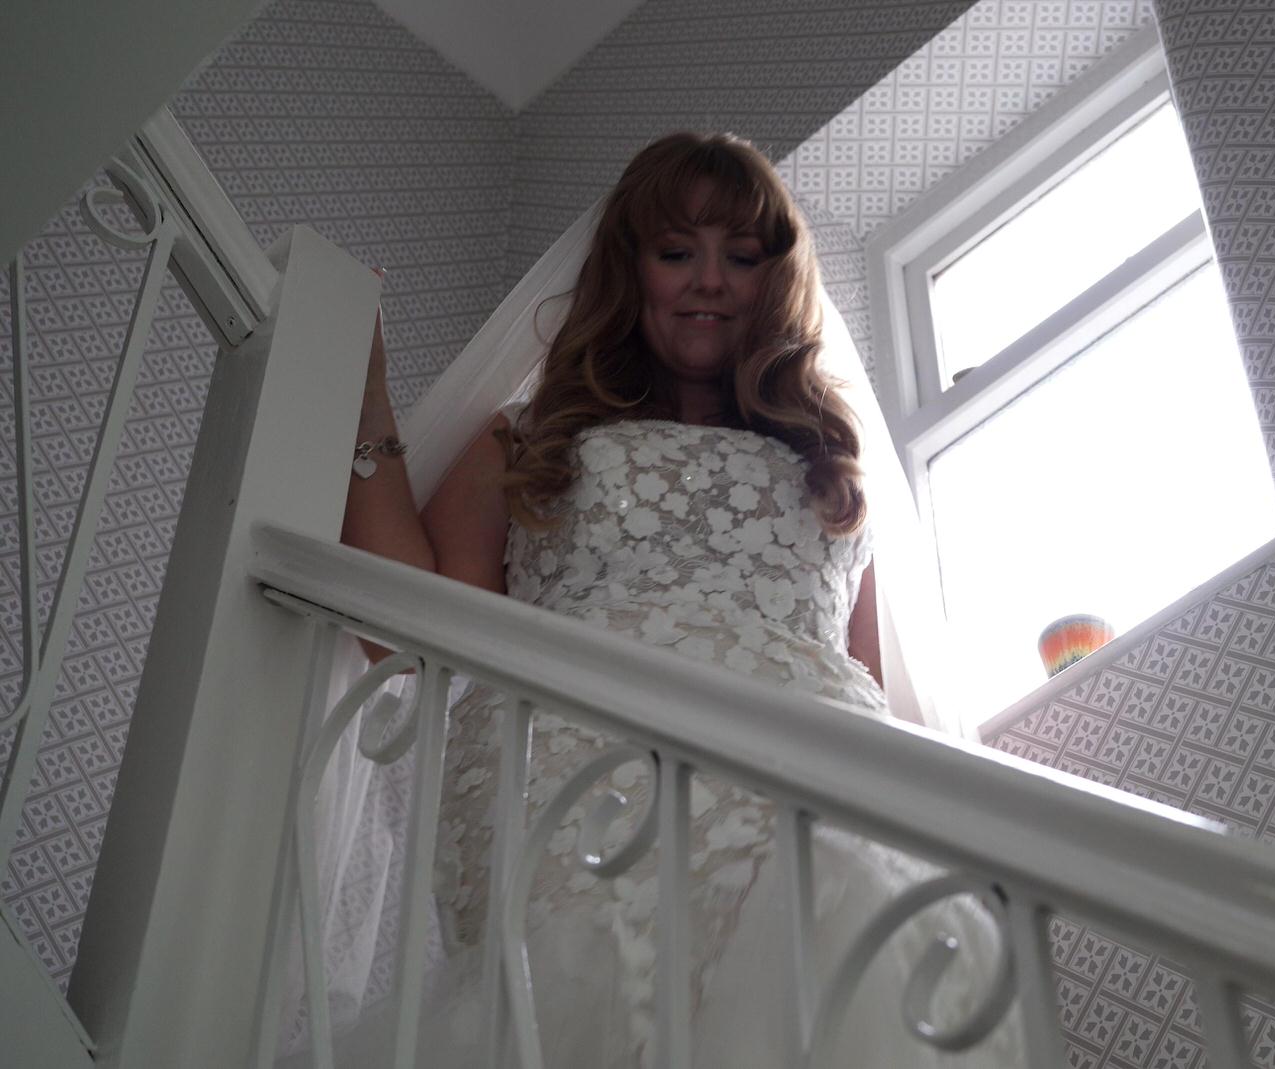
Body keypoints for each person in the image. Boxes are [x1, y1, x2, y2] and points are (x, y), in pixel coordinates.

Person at [328, 132, 1017, 1066]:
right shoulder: (532, 439)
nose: (711, 280)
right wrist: (364, 400)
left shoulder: (831, 467)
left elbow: (867, 670)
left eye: (743, 255)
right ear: (631, 266)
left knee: (842, 958)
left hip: (803, 769)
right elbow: (406, 628)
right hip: (574, 774)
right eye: (677, 249)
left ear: (777, 278)